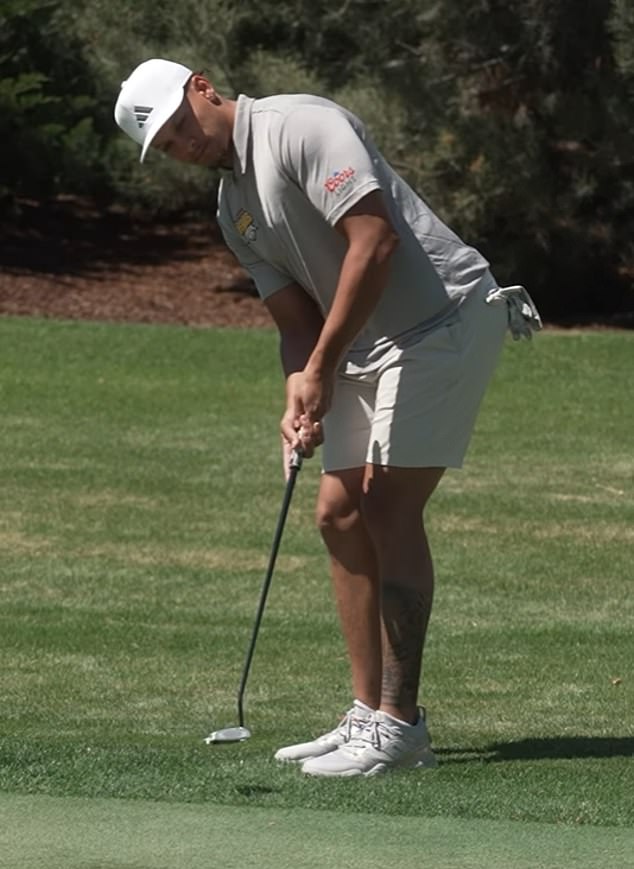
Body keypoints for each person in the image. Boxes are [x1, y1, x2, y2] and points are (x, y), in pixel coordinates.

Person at [115, 58, 541, 778]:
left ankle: (402, 728)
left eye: (180, 125)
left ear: (203, 87)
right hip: (367, 343)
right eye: (166, 145)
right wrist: (297, 386)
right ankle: (367, 712)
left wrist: (323, 365)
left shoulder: (302, 125)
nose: (182, 145)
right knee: (337, 512)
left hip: (444, 319)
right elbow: (294, 318)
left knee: (384, 503)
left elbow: (375, 242)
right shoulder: (232, 208)